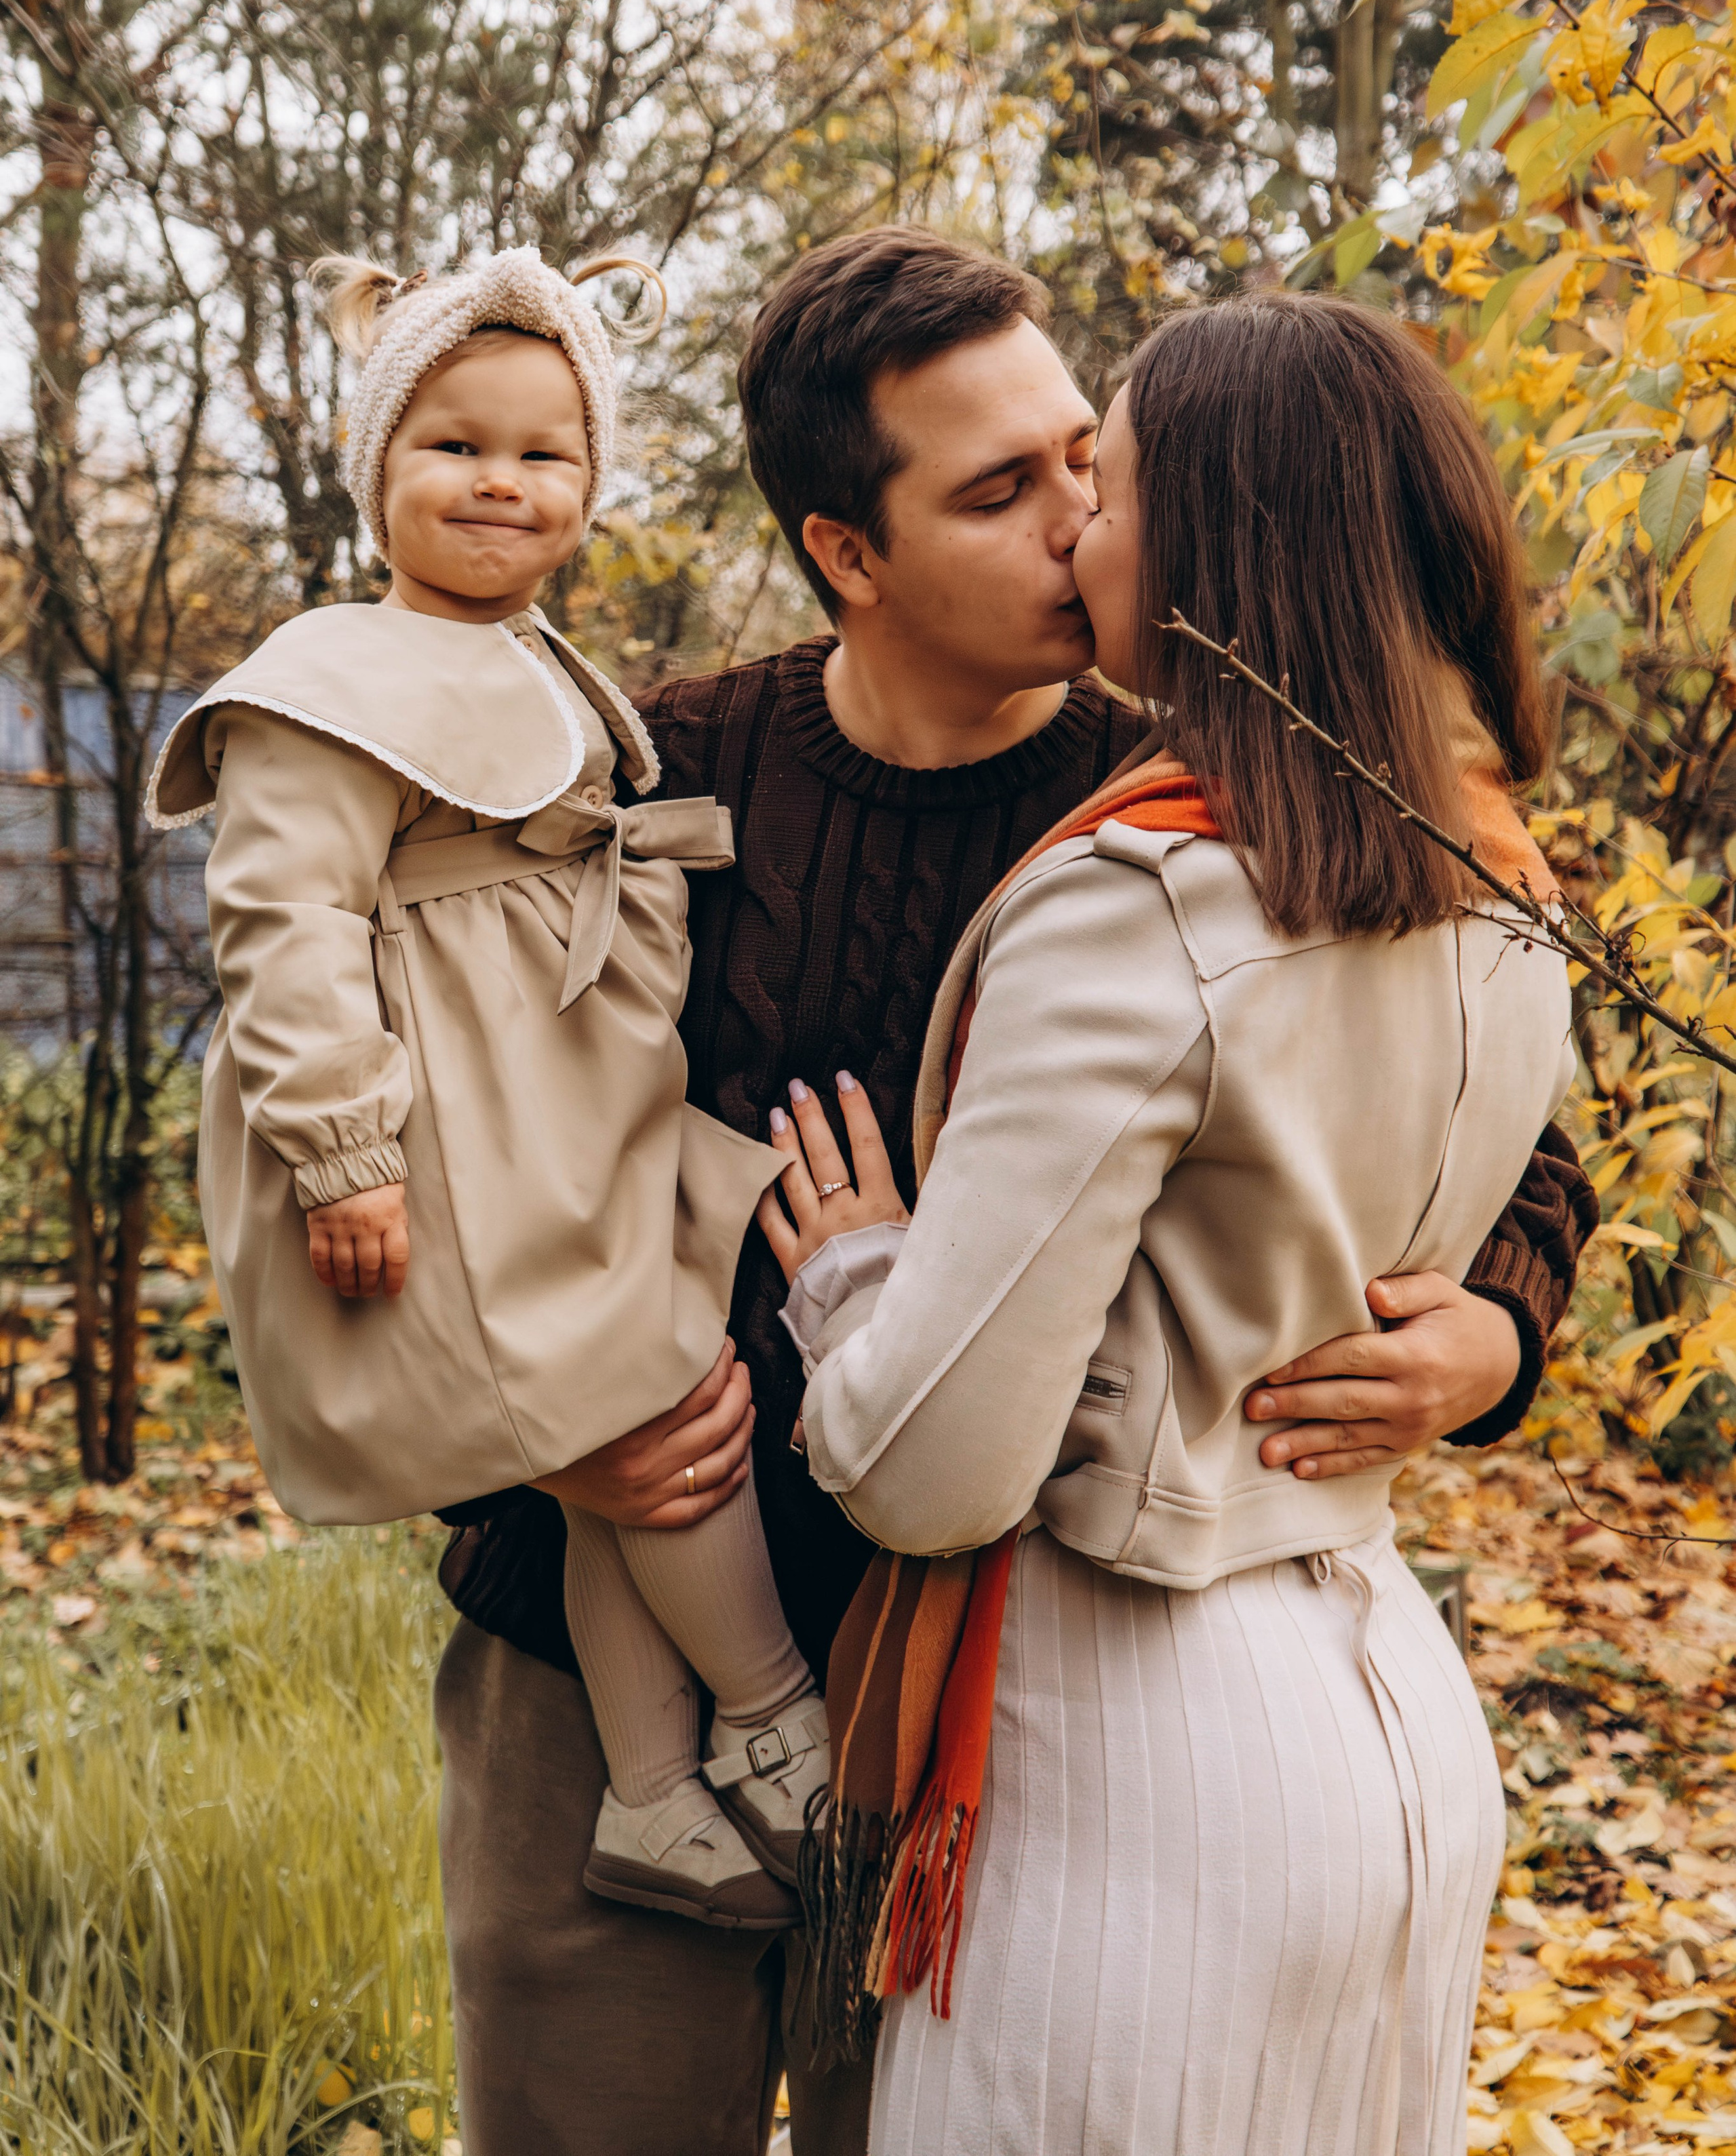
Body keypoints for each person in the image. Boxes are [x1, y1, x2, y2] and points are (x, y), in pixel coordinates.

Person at [432, 232, 1597, 2156]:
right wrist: (537, 1439)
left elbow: (1493, 1118)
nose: (1076, 527)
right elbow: (433, 1160)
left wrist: (1494, 1327)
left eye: (1084, 462)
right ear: (846, 552)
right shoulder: (646, 778)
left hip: (993, 1732)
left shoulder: (1195, 811)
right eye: (997, 493)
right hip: (612, 1677)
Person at [766, 290, 1575, 2155]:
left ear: (1219, 544)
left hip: (1150, 1753)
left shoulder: (1146, 907)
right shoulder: (1497, 877)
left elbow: (935, 1469)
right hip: (1390, 1697)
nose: (1076, 531)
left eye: (1106, 484)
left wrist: (855, 1278)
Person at [147, 246, 828, 1938]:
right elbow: (282, 918)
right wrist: (344, 1149)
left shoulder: (539, 660)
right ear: (377, 463)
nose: (499, 483)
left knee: (625, 1411)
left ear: (591, 485)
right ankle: (768, 1722)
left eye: (544, 453)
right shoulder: (331, 673)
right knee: (664, 1406)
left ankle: (656, 1793)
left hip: (567, 1105)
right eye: (453, 444)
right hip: (453, 1126)